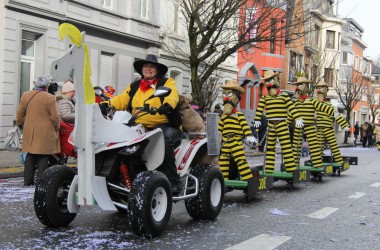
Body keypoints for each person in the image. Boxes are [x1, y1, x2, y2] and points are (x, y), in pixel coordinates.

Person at [107, 54, 182, 192]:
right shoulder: (135, 85)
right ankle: (124, 176)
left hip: (164, 123)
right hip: (139, 124)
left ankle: (173, 179)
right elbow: (122, 99)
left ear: (157, 69)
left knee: (163, 138)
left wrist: (167, 105)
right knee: (121, 140)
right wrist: (108, 104)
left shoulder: (166, 82)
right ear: (141, 69)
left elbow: (172, 94)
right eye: (146, 66)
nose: (148, 69)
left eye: (152, 66)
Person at [253, 70, 303, 173]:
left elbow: (291, 107)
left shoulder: (284, 96)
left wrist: (297, 118)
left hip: (282, 124)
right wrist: (257, 119)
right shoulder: (265, 98)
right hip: (271, 125)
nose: (269, 83)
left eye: (271, 80)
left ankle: (291, 169)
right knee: (270, 149)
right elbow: (259, 109)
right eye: (267, 81)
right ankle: (269, 170)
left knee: (286, 147)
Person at [16, 76, 61, 186]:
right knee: (43, 156)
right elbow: (55, 117)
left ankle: (27, 181)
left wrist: (20, 124)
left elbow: (20, 114)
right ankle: (41, 183)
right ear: (46, 86)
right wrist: (57, 127)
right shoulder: (50, 97)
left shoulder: (26, 95)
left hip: (29, 130)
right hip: (45, 131)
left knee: (30, 155)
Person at [218, 80, 256, 180]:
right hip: (225, 142)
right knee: (223, 161)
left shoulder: (239, 115)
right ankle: (223, 180)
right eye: (224, 94)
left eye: (229, 94)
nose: (226, 97)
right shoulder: (224, 116)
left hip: (236, 141)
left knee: (240, 159)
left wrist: (249, 136)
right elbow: (219, 129)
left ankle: (248, 179)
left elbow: (245, 126)